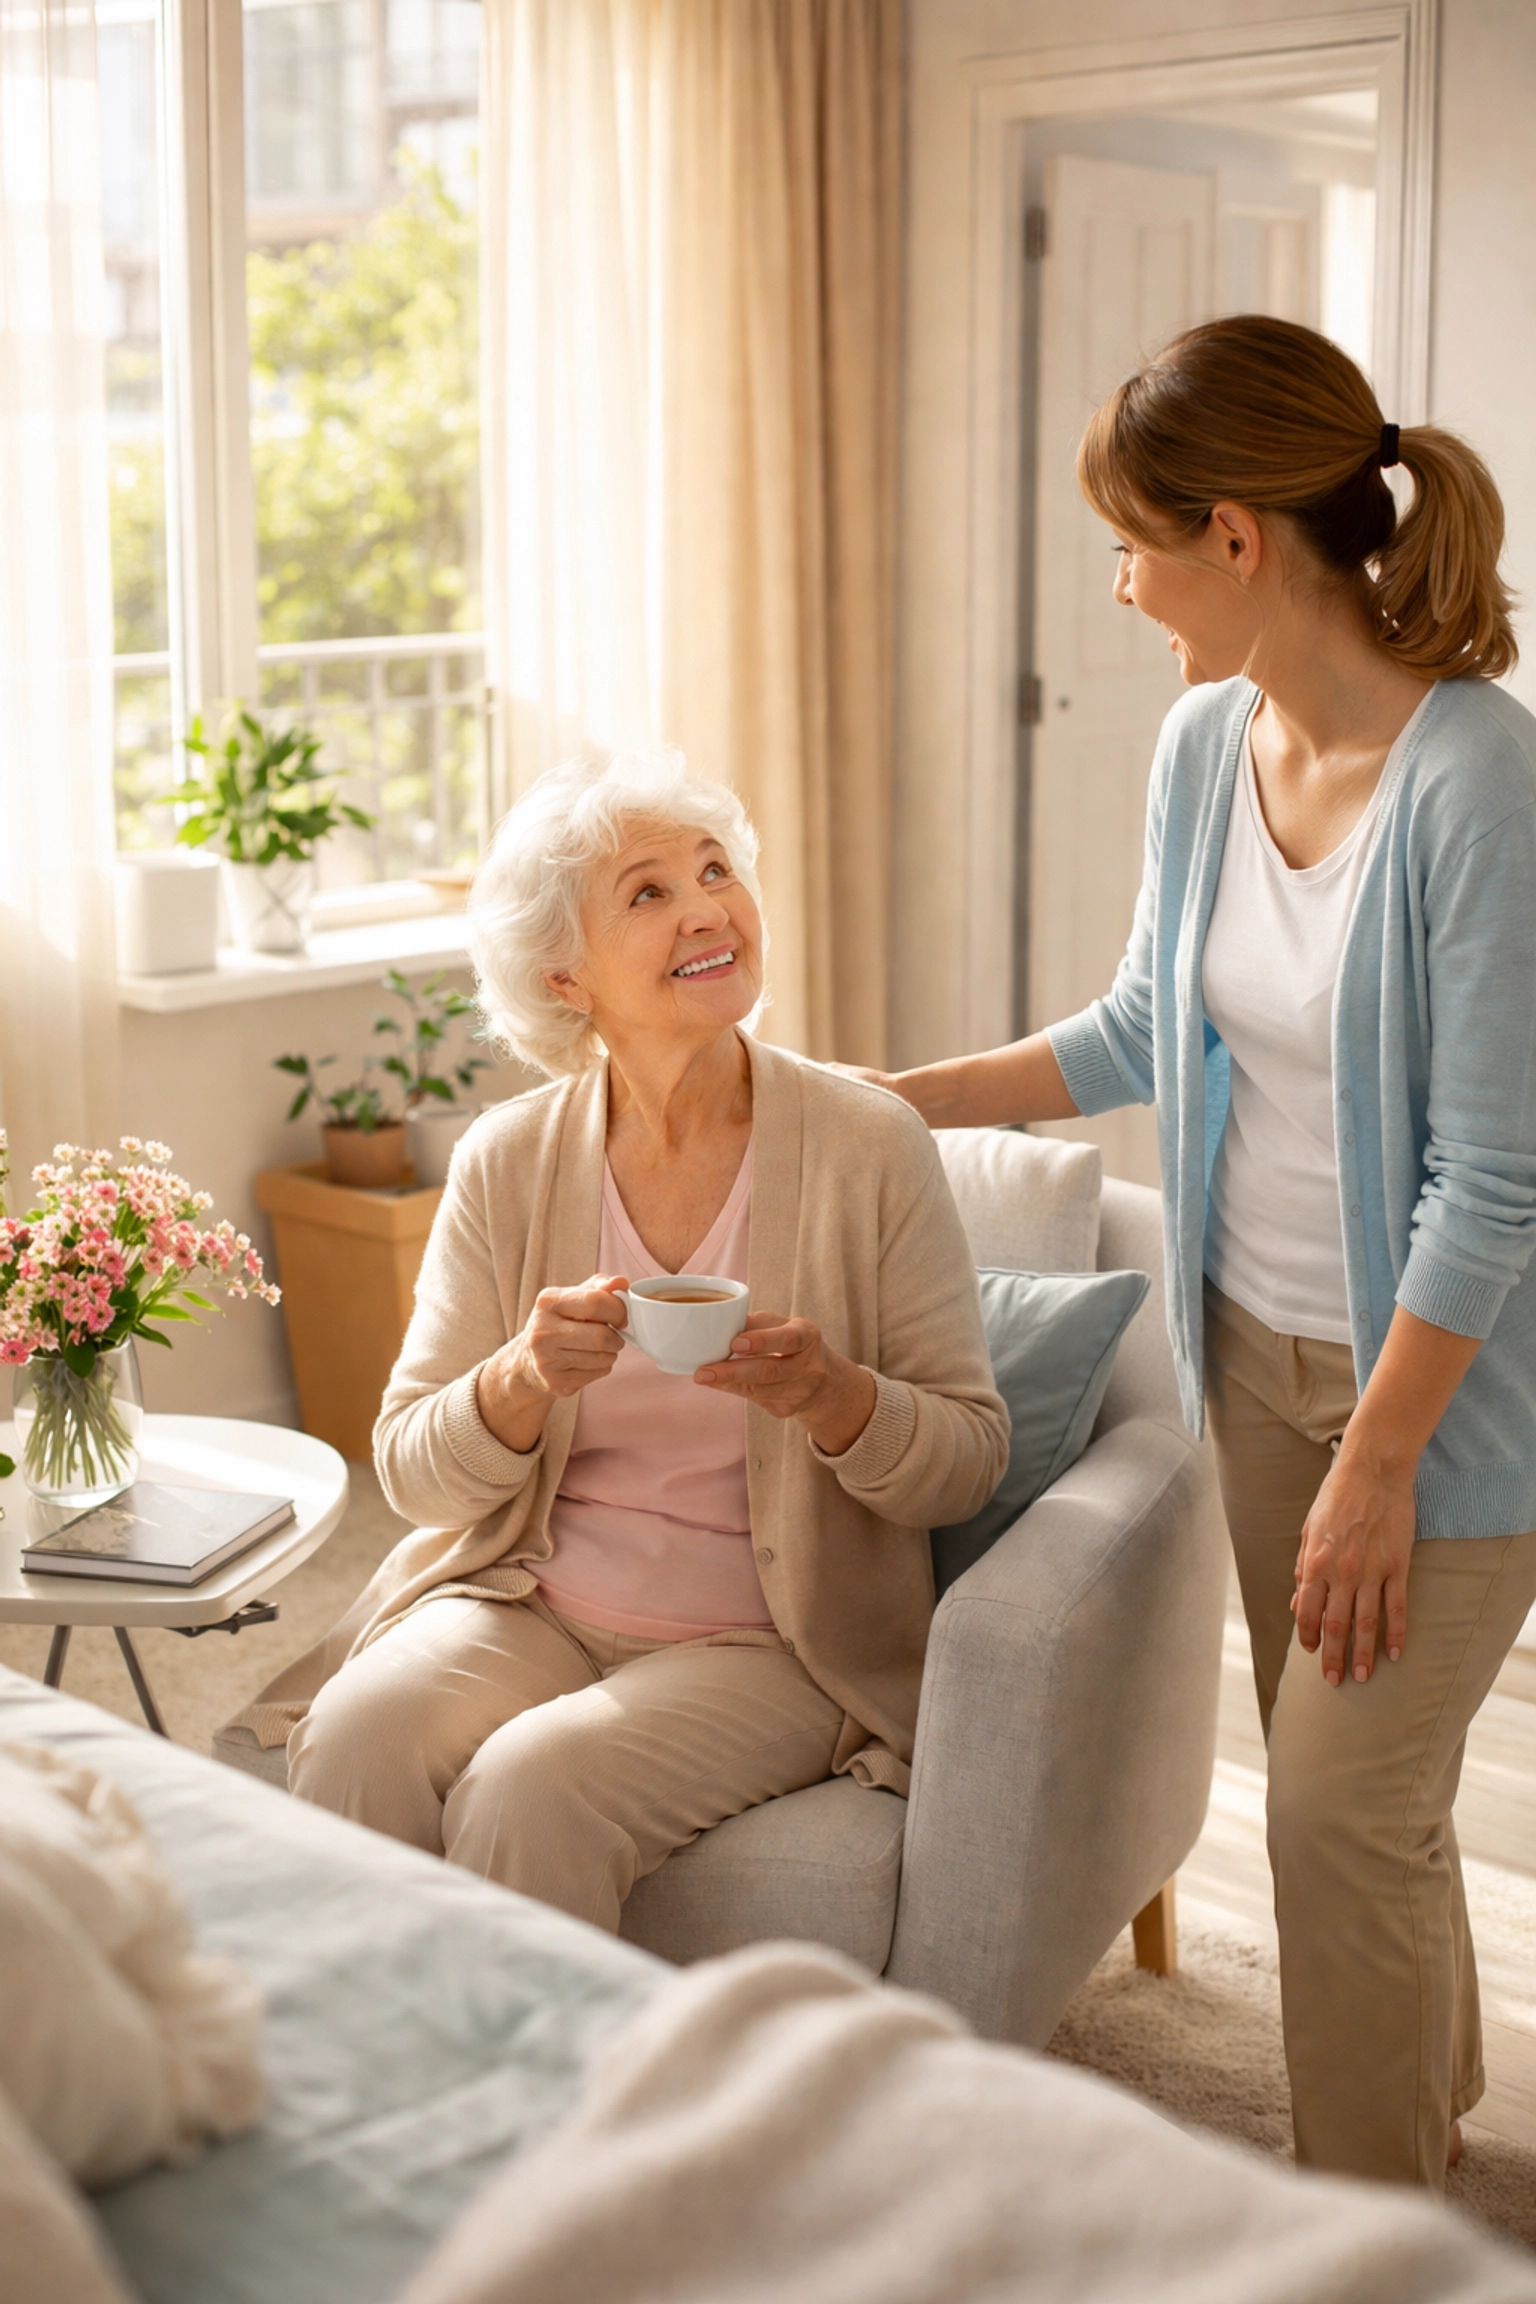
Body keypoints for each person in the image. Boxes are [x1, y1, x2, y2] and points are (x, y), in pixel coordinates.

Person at [853, 316, 1536, 2190]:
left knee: (1328, 1808)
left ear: (1237, 535)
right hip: (1254, 1344)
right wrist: (876, 1097)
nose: (1121, 582)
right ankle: (1441, 2106)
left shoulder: (1477, 778)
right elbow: (1146, 1025)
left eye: (1135, 540)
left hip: (1445, 1398)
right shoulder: (1197, 741)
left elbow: (1493, 1177)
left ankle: (1357, 2222)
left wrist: (1382, 1463)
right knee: (1366, 1810)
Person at [246, 748, 1007, 1937]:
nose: (707, 908)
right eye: (648, 893)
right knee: (351, 1735)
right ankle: (388, 2086)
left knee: (532, 1788)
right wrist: (521, 1379)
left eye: (717, 871)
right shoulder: (507, 1159)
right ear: (567, 975)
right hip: (530, 1596)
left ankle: (549, 2122)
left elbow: (967, 1456)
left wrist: (836, 1396)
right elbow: (409, 1467)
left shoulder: (871, 1144)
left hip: (766, 1638)